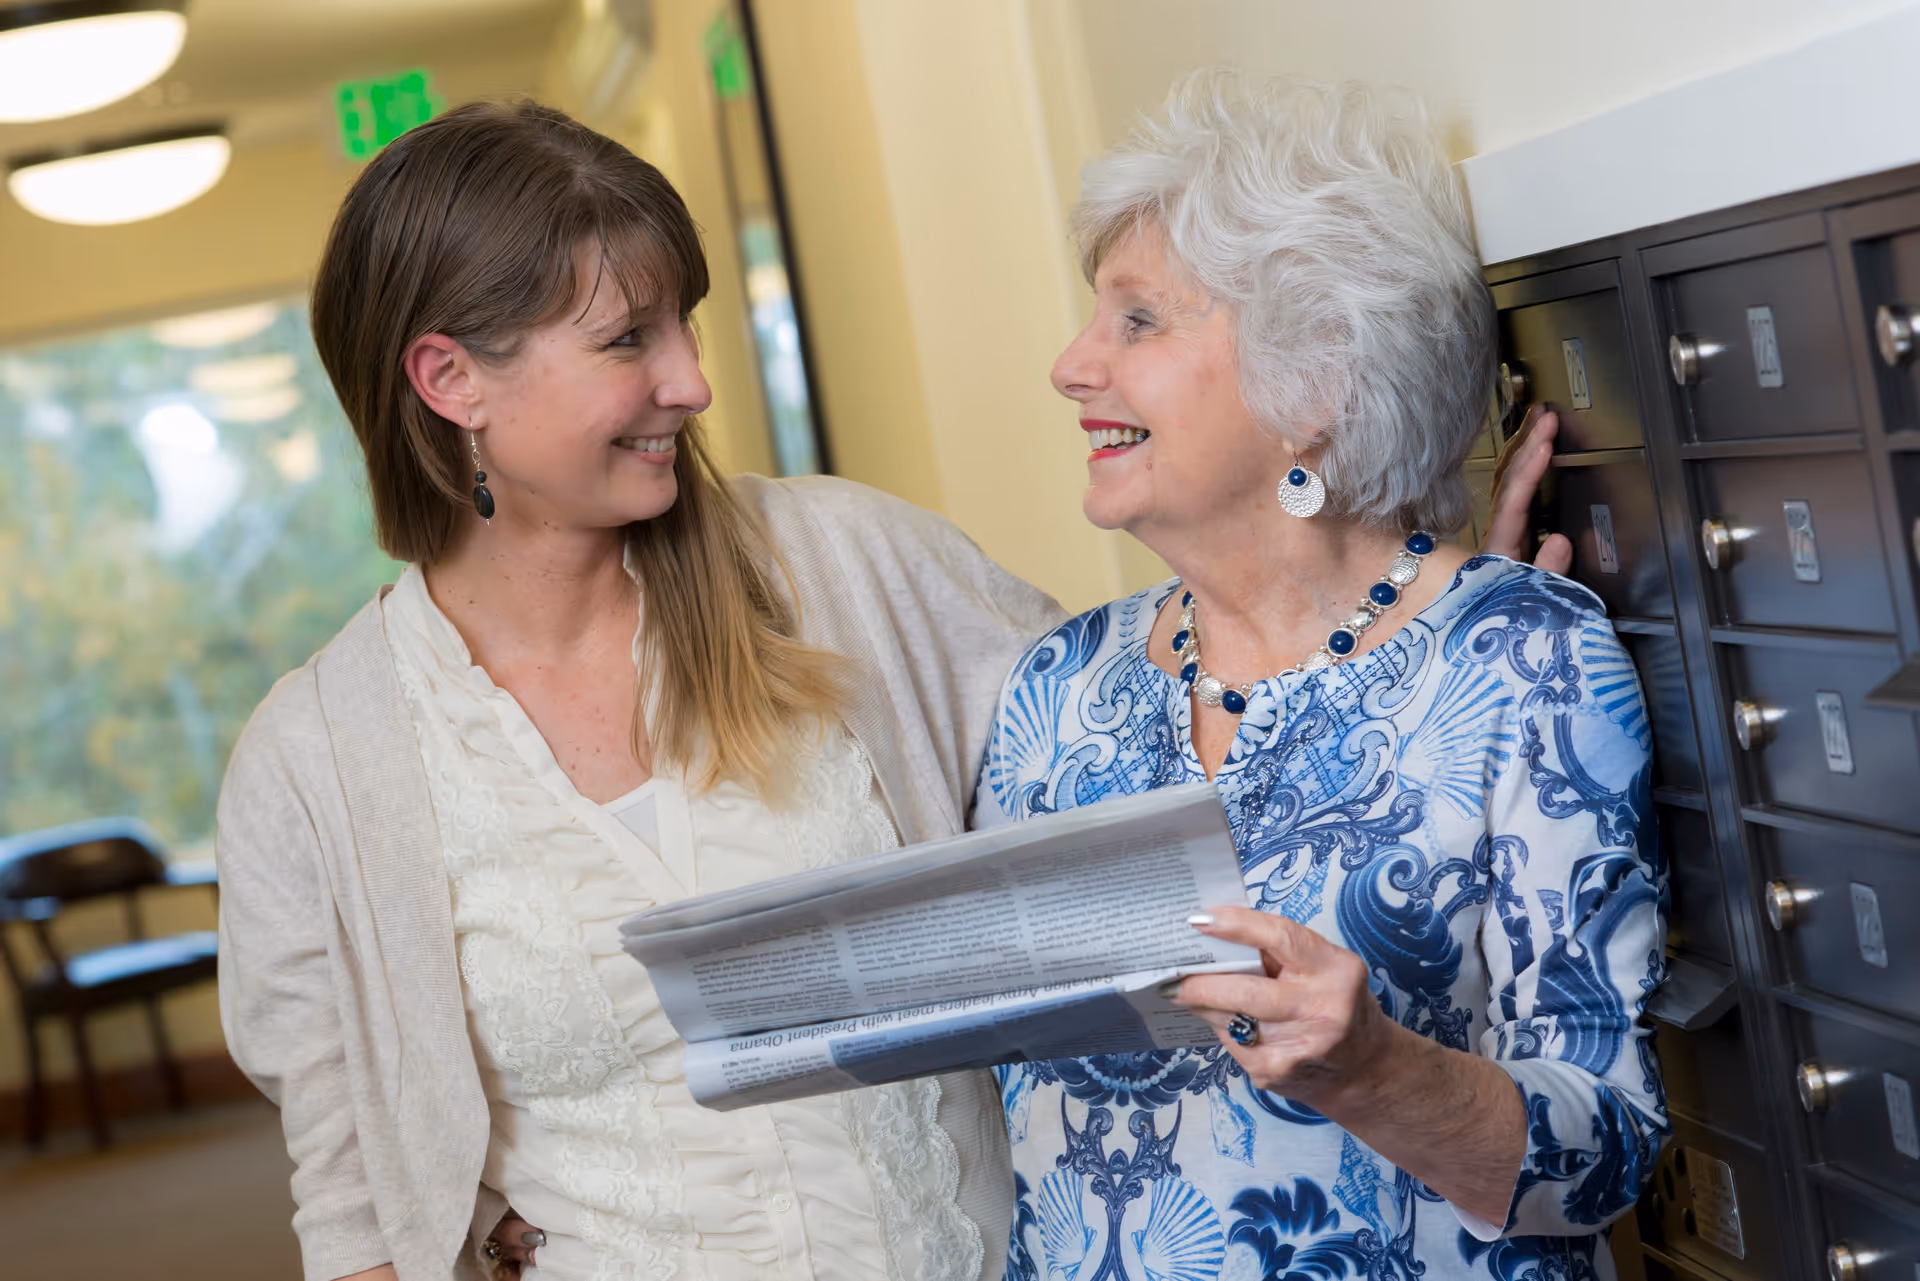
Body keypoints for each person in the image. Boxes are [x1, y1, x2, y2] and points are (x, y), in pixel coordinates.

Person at [214, 100, 1067, 1281]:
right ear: (451, 378)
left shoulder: (848, 565)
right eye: (629, 340)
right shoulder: (313, 765)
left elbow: (1119, 776)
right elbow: (359, 1202)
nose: (693, 383)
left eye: (689, 326)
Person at [975, 72, 1665, 1281]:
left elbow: (1612, 1151)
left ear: (1318, 384)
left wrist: (1379, 1074)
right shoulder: (1055, 690)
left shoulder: (1522, 659)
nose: (1071, 365)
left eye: (1139, 321)